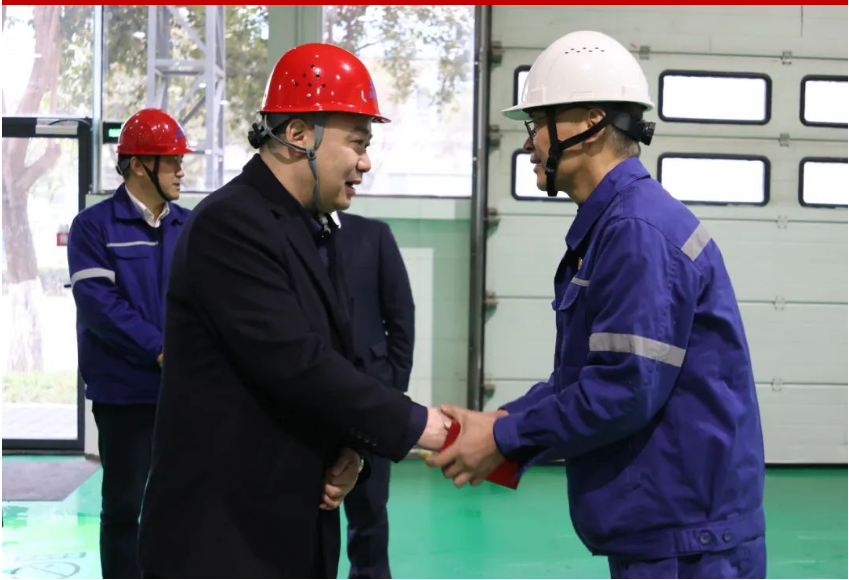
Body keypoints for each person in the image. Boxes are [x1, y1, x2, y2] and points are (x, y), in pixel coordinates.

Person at [429, 30, 767, 579]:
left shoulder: (637, 231)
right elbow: (588, 378)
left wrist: (503, 439)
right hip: (671, 534)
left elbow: (624, 388)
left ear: (589, 122)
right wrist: (501, 422)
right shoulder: (621, 225)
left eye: (537, 124)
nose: (528, 144)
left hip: (686, 550)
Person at [137, 43, 448, 579]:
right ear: (300, 134)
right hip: (222, 540)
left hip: (289, 525)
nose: (365, 162)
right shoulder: (230, 223)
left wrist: (351, 447)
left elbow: (336, 356)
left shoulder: (312, 227)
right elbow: (296, 362)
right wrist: (425, 426)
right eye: (358, 142)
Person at [66, 108, 192, 578]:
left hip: (183, 393)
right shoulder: (94, 226)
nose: (181, 170)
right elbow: (99, 305)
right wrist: (160, 349)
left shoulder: (191, 227)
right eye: (171, 160)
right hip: (125, 394)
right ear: (139, 165)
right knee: (124, 506)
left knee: (182, 503)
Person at [336, 211, 415, 579]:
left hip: (371, 391)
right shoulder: (286, 233)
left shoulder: (373, 235)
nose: (353, 183)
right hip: (304, 394)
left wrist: (394, 382)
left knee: (369, 505)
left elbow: (400, 312)